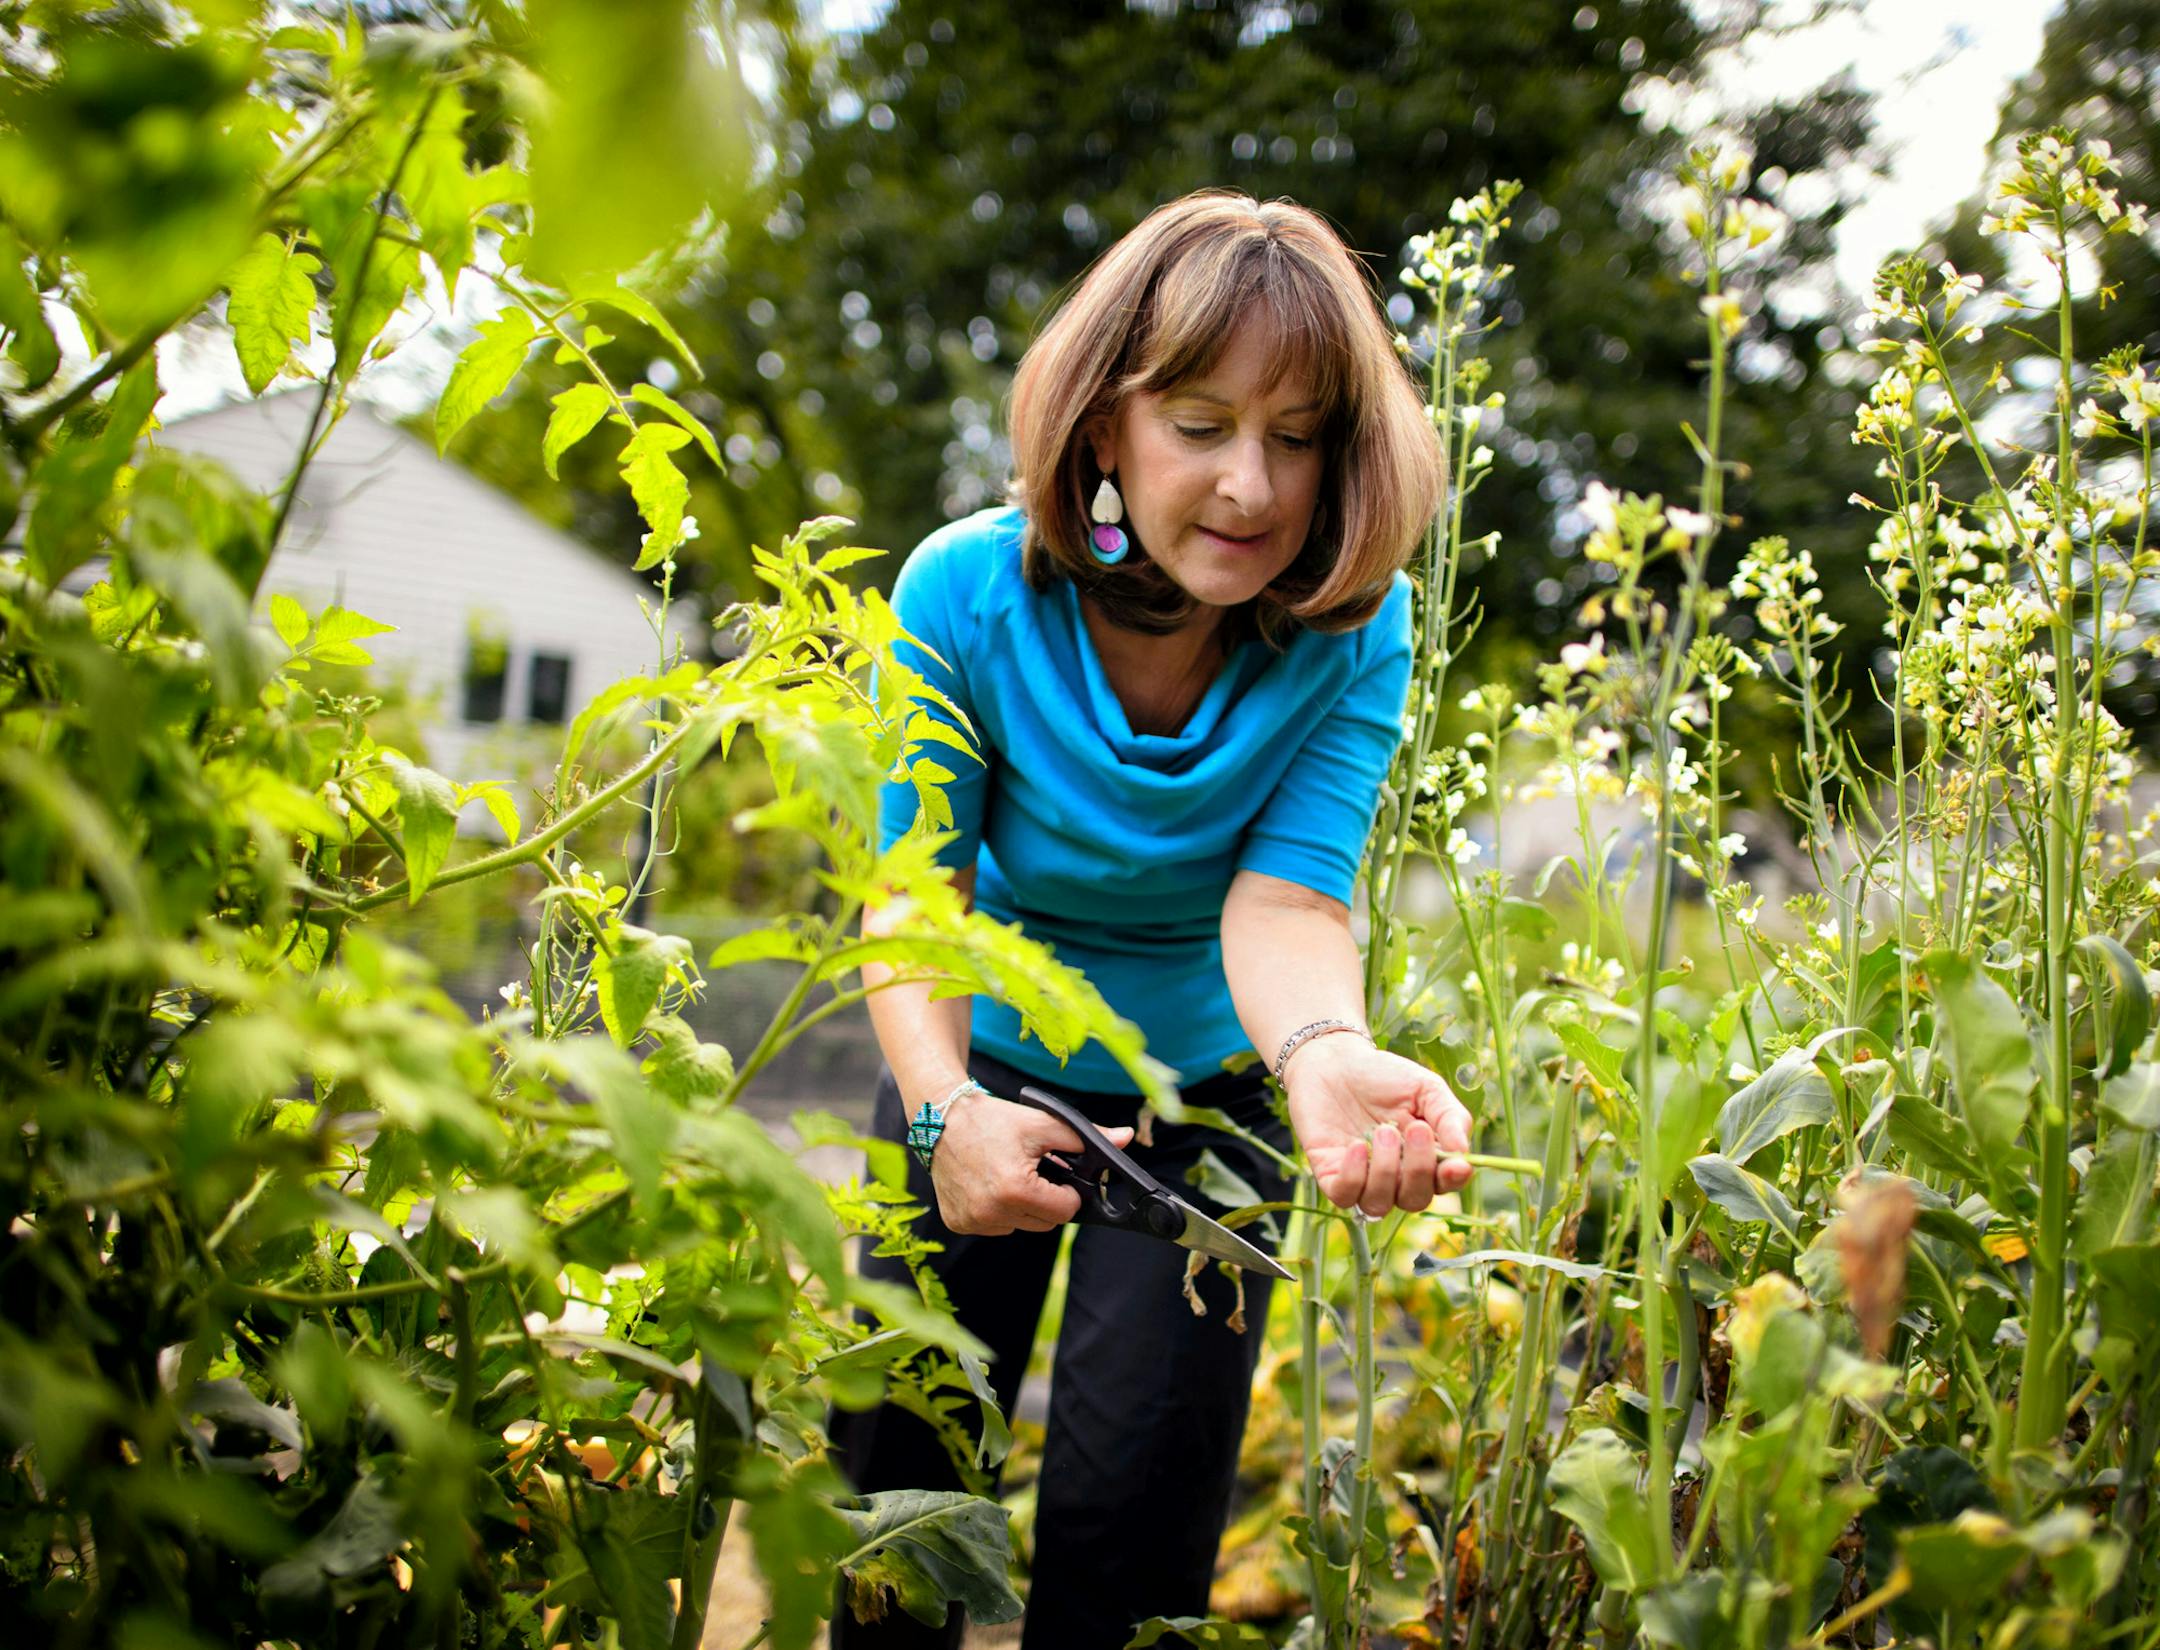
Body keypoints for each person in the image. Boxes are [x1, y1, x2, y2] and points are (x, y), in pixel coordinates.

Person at [830, 191, 1476, 1650]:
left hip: (1217, 1085)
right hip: (973, 1061)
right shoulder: (964, 593)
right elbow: (919, 895)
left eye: (1296, 434)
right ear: (1103, 425)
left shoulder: (1355, 627)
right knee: (899, 1495)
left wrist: (1325, 1055)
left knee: (1137, 1527)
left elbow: (1291, 896)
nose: (1251, 484)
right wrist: (943, 1113)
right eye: (1199, 421)